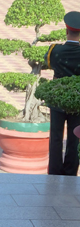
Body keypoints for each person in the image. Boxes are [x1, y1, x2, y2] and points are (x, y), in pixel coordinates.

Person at [46, 11, 80, 176]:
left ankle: (54, 171)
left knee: (56, 137)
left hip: (57, 100)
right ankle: (71, 172)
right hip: (77, 101)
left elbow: (49, 64)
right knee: (75, 138)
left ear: (66, 30)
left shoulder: (55, 50)